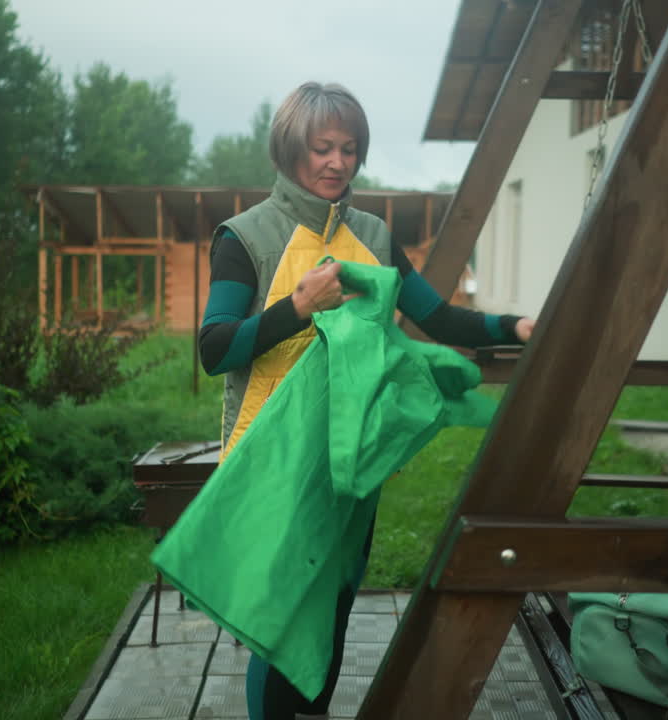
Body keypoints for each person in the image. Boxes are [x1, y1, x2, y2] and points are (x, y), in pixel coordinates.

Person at [197, 81, 534, 720]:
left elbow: (437, 318)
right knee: (282, 617)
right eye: (322, 148)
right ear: (290, 149)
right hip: (272, 457)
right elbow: (215, 348)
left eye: (349, 149)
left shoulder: (373, 236)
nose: (337, 163)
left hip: (352, 456)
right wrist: (297, 307)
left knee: (333, 608)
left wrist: (513, 326)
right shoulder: (246, 237)